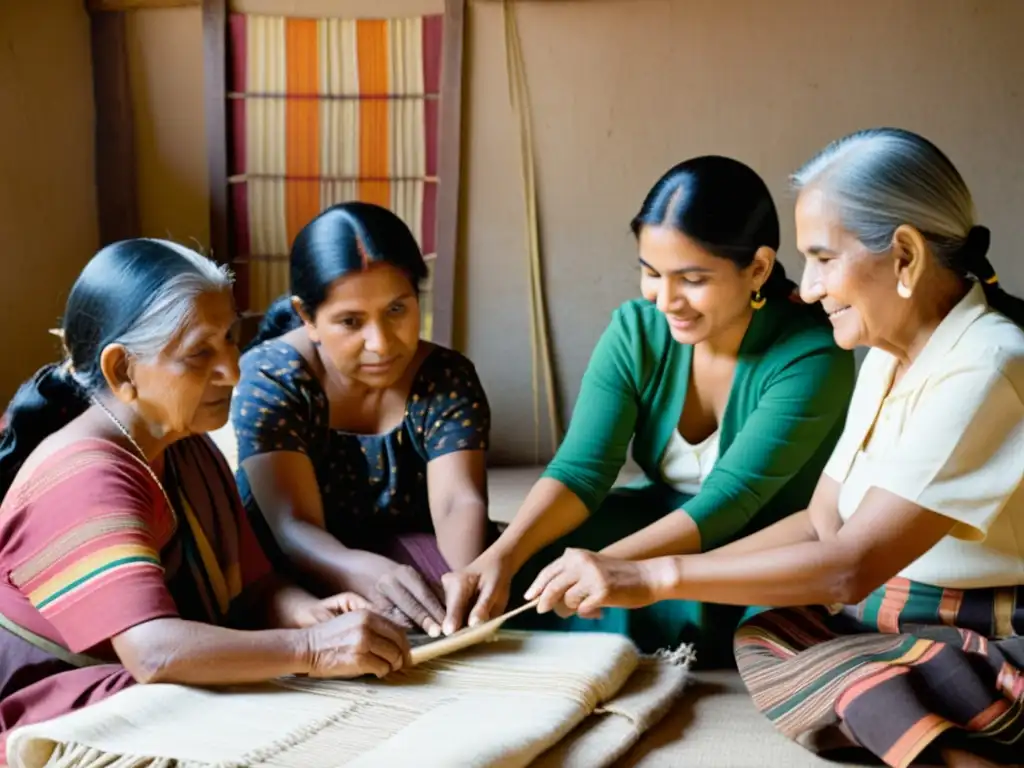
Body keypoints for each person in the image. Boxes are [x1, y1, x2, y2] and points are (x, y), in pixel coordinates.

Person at [524, 129, 1024, 767]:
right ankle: (928, 734)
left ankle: (948, 749)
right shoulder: (882, 353)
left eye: (822, 258)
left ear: (904, 255)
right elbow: (821, 522)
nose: (809, 287)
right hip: (889, 607)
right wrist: (639, 576)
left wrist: (652, 577)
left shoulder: (987, 362)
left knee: (849, 671)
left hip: (990, 627)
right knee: (766, 635)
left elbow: (848, 565)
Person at [442, 156, 857, 664]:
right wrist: (500, 558)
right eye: (651, 273)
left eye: (692, 279)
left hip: (759, 543)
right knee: (527, 557)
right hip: (663, 516)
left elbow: (732, 501)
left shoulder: (812, 355)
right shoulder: (636, 330)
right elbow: (581, 470)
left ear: (758, 269)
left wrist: (611, 566)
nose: (666, 300)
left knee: (707, 607)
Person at [0, 240, 411, 749]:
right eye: (200, 353)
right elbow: (154, 654)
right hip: (67, 708)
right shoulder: (81, 475)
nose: (232, 371)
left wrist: (310, 615)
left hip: (150, 687)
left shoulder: (187, 447)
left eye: (230, 339)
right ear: (122, 370)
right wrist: (311, 649)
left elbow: (257, 589)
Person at [232, 202, 492, 640]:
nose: (381, 343)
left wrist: (463, 591)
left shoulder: (446, 377)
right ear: (307, 318)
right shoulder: (272, 378)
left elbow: (458, 503)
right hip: (294, 557)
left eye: (397, 310)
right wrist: (363, 570)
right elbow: (292, 524)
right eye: (351, 321)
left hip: (402, 549)